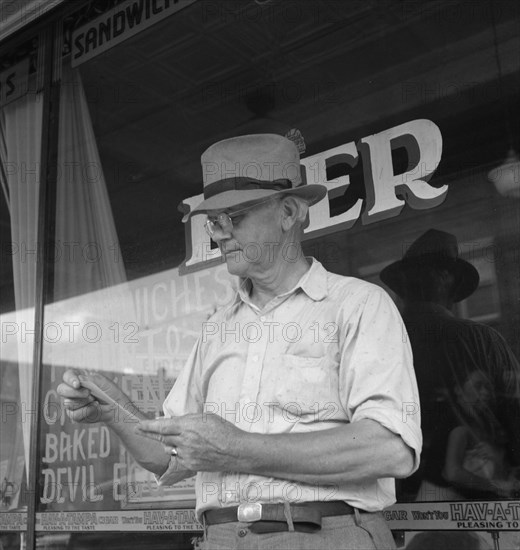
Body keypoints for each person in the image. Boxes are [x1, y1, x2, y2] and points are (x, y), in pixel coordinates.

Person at [59, 133, 422, 549]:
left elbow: (390, 450)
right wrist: (112, 410)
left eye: (236, 216)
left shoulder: (356, 305)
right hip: (222, 538)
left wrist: (236, 449)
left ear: (288, 212)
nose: (221, 234)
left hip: (321, 535)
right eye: (214, 221)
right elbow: (171, 457)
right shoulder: (217, 328)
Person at [380, 228, 520, 502]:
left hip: (397, 502)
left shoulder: (378, 341)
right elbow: (515, 410)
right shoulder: (483, 339)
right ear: (448, 282)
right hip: (483, 506)